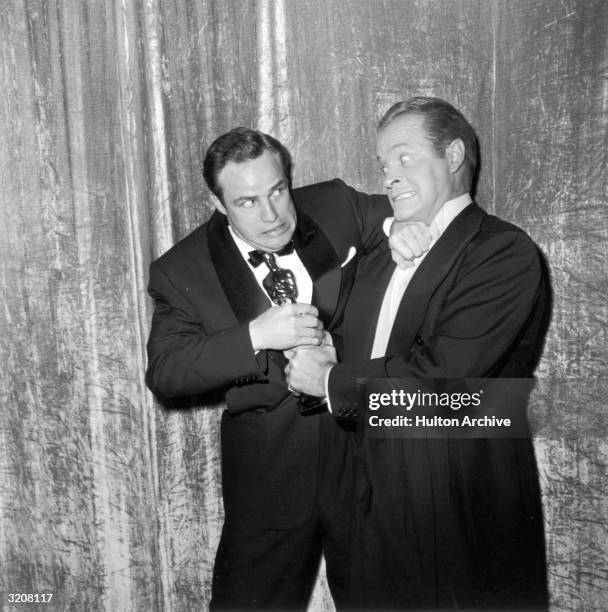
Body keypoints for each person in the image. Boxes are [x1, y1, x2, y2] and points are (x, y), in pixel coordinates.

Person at [286, 97, 550, 610]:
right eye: (383, 165)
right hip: (363, 507)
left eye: (404, 158)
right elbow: (335, 336)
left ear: (453, 156)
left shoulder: (501, 251)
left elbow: (444, 380)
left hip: (452, 506)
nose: (388, 176)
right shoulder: (377, 254)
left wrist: (328, 380)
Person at [145, 127, 417, 609]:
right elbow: (166, 372)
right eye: (247, 202)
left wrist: (405, 228)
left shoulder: (334, 203)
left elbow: (396, 212)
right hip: (268, 473)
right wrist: (256, 336)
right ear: (219, 202)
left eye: (276, 191)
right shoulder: (180, 269)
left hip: (361, 456)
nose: (271, 215)